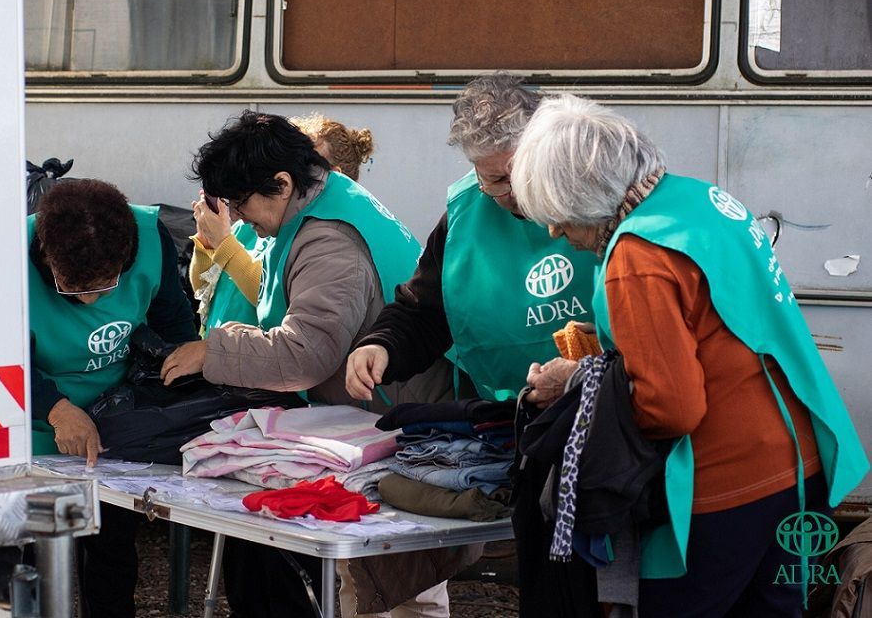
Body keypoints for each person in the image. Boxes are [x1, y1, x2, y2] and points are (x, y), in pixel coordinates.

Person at [510, 94, 870, 616]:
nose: (556, 233)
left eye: (560, 217)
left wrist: (573, 382)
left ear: (586, 195)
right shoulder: (700, 200)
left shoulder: (635, 257)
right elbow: (716, 323)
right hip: (798, 464)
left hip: (723, 490)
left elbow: (672, 407)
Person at [161, 110, 453, 618]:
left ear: (281, 183)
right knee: (370, 579)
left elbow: (305, 355)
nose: (237, 215)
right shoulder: (322, 200)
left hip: (396, 422)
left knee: (393, 585)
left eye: (241, 202)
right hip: (384, 415)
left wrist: (215, 350)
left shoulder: (329, 240)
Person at [344, 73, 601, 617]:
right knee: (546, 582)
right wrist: (383, 346)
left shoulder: (596, 195)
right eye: (491, 181)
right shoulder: (467, 211)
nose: (507, 195)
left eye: (513, 176)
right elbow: (426, 306)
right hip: (517, 422)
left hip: (602, 423)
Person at [28, 179, 198, 618]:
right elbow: (0, 358)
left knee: (111, 550)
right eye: (72, 290)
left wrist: (181, 384)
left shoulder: (150, 236)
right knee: (28, 556)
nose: (89, 302)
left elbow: (173, 319)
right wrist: (57, 409)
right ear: (47, 257)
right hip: (34, 415)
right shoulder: (10, 255)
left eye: (105, 289)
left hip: (116, 415)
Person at [188, 113, 376, 333]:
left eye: (309, 164)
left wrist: (223, 244)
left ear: (331, 175)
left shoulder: (324, 240)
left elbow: (275, 297)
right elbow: (203, 287)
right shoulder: (251, 223)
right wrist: (207, 242)